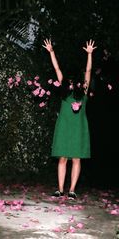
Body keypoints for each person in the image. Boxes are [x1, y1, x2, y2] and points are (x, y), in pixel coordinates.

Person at [42, 38, 97, 199]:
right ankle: (59, 189)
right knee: (62, 159)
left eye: (75, 81)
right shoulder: (64, 90)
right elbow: (57, 67)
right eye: (70, 81)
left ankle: (72, 190)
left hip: (79, 127)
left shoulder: (84, 91)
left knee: (76, 159)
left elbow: (88, 71)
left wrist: (89, 54)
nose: (72, 83)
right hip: (64, 126)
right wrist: (51, 52)